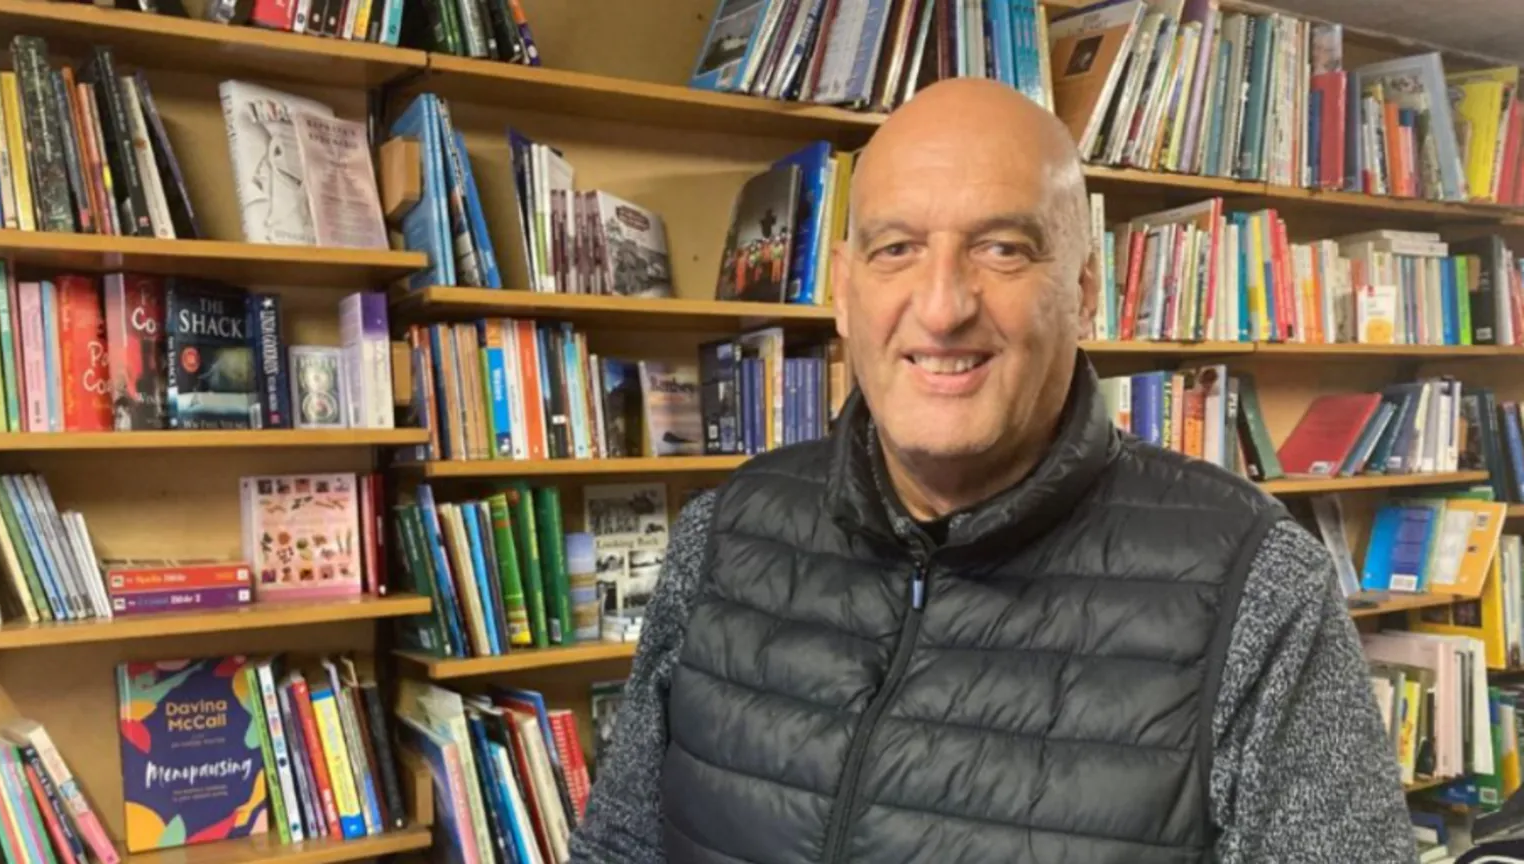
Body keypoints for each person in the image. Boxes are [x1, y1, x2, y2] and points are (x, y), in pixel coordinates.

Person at [569, 78, 1415, 864]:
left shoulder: (1259, 590)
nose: (942, 307)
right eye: (896, 248)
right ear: (841, 292)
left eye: (1003, 249)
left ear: (1084, 290)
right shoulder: (722, 535)